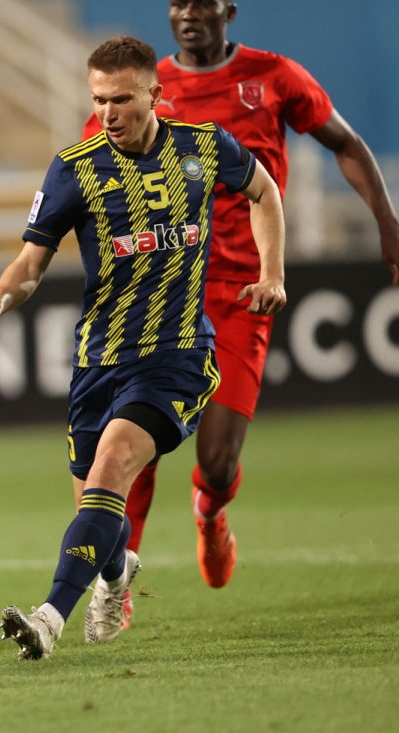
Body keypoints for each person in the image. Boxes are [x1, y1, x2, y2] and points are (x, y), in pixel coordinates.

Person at [0, 35, 286, 660]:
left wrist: (272, 273)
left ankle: (49, 618)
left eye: (122, 100)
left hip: (177, 355)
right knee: (93, 502)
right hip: (97, 361)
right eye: (99, 100)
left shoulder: (204, 148)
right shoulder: (73, 168)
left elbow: (264, 190)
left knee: (110, 473)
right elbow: (30, 263)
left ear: (154, 95)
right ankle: (114, 575)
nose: (108, 113)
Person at [82, 1, 399, 608]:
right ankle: (115, 590)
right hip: (165, 294)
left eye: (203, 3)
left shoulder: (276, 77)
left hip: (241, 293)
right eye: (178, 4)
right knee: (132, 447)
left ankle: (211, 512)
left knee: (218, 459)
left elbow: (348, 143)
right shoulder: (143, 91)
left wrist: (386, 220)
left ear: (228, 10)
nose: (189, 14)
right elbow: (90, 173)